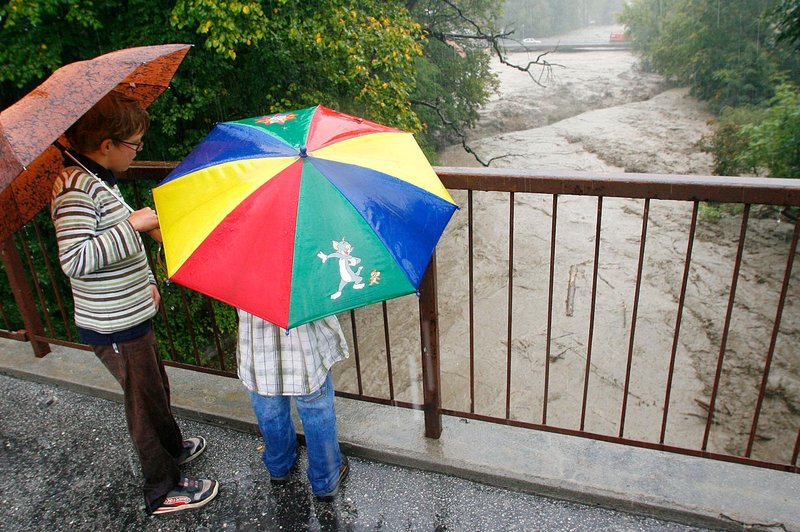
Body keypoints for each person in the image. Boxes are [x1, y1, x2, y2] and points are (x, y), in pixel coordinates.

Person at [50, 92, 219, 515]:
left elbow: (118, 247)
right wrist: (132, 222)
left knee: (155, 386)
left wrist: (146, 280)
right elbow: (75, 259)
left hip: (130, 312)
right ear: (107, 144)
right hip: (113, 323)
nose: (138, 152)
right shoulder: (74, 189)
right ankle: (162, 490)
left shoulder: (97, 178)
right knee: (142, 404)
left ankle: (173, 447)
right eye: (135, 145)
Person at [236, 310, 350, 501]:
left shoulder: (241, 278)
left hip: (258, 354)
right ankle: (326, 479)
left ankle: (279, 467)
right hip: (305, 354)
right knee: (316, 414)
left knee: (270, 414)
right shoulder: (305, 278)